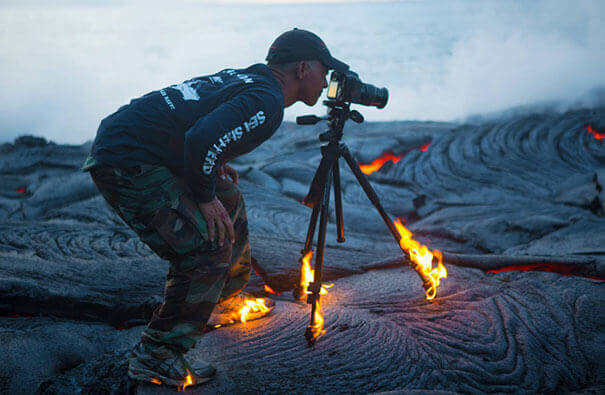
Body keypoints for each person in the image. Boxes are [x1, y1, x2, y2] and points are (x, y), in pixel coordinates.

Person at [81, 28, 349, 388]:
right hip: (126, 160)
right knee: (206, 247)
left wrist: (211, 165)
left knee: (229, 196)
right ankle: (157, 355)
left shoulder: (252, 77)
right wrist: (204, 196)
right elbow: (201, 137)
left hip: (135, 142)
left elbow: (199, 121)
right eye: (323, 69)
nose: (327, 78)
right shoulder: (267, 101)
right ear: (302, 68)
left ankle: (217, 298)